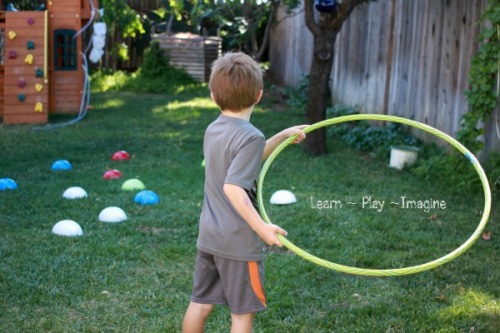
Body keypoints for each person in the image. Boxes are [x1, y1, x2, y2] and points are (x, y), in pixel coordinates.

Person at [182, 52, 307, 333]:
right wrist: (261, 227)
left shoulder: (214, 129)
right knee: (242, 315)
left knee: (200, 304)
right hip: (238, 244)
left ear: (214, 96)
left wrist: (280, 137)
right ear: (259, 95)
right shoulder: (250, 135)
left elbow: (243, 162)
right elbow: (234, 186)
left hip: (210, 236)